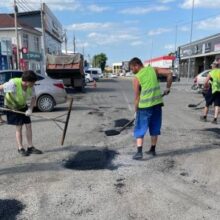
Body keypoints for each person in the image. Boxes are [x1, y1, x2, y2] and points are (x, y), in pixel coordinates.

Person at [129, 57, 172, 160]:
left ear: (136, 65)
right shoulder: (153, 69)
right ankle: (153, 150)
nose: (132, 71)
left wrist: (136, 111)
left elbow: (137, 97)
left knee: (140, 128)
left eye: (132, 68)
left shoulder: (137, 78)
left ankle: (139, 152)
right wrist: (167, 87)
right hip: (157, 105)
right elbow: (169, 73)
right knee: (155, 127)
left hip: (144, 107)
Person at [0, 70, 42, 156]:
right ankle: (20, 148)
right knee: (19, 127)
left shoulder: (31, 86)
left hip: (22, 105)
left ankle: (30, 147)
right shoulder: (13, 84)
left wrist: (30, 109)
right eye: (32, 82)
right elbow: (0, 87)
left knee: (28, 125)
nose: (33, 84)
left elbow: (34, 98)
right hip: (12, 107)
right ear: (26, 82)